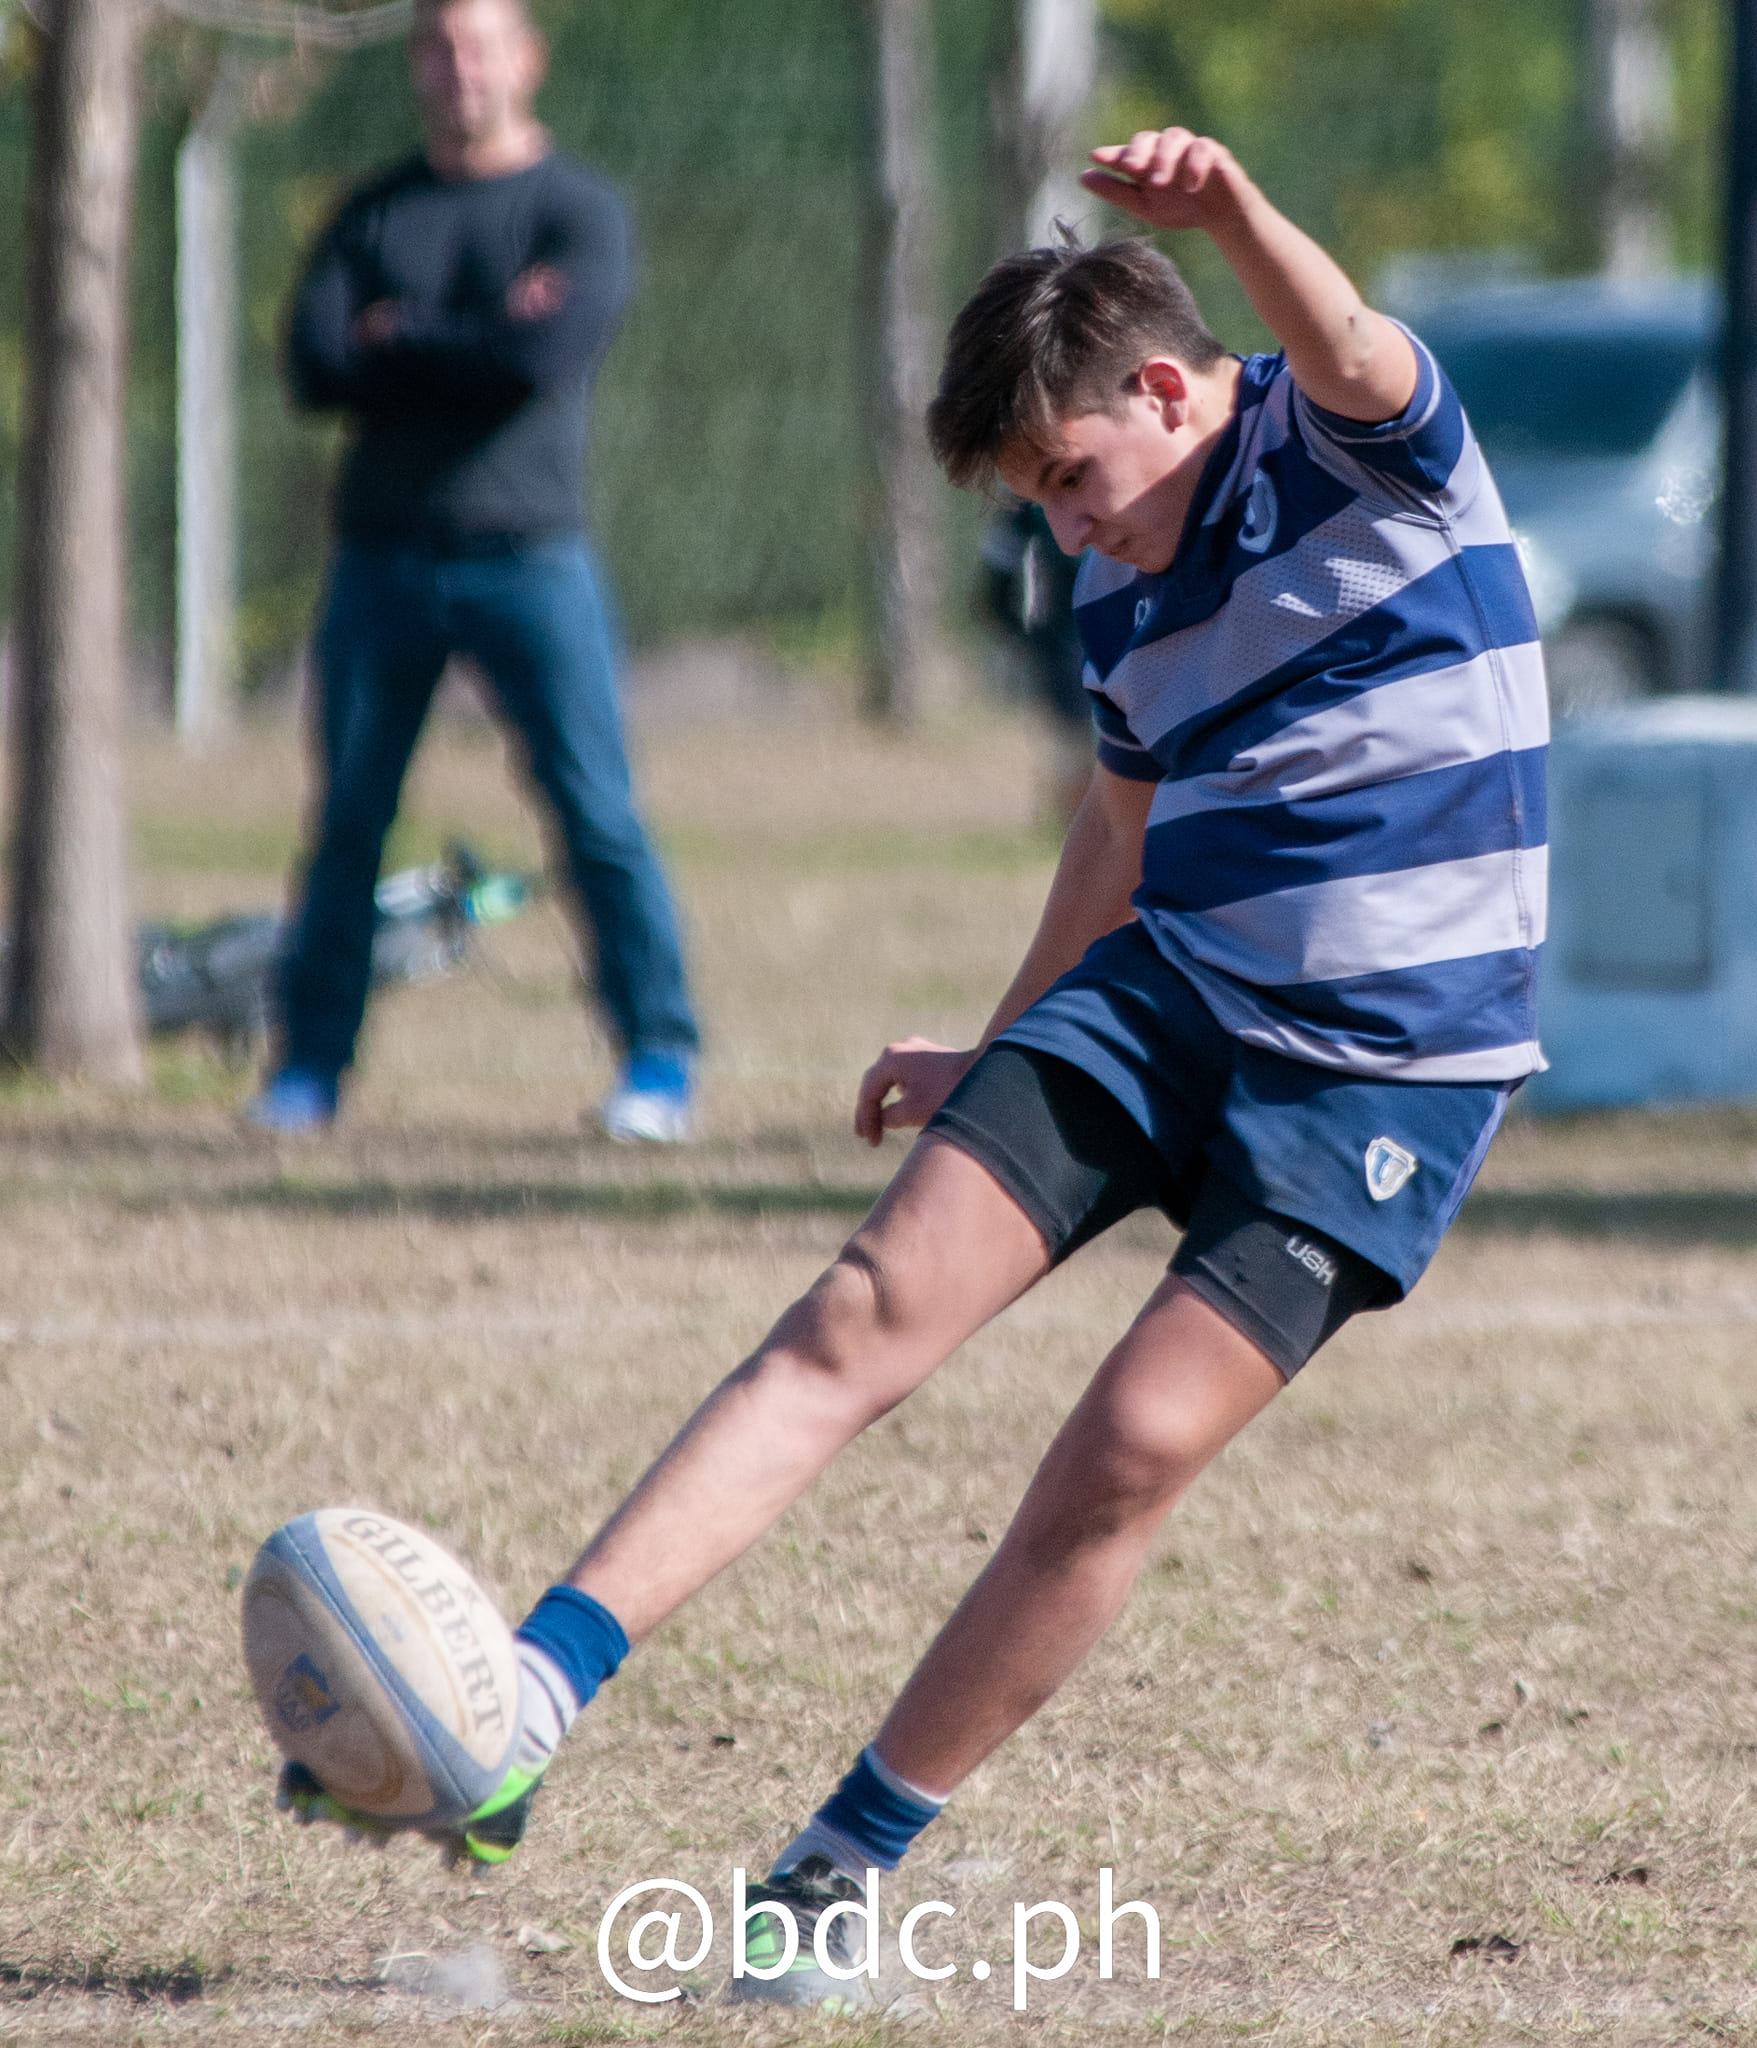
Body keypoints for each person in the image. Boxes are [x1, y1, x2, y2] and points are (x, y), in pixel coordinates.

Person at [279, 125, 1546, 2008]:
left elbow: (1345, 332)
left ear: (1169, 389)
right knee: (856, 1311)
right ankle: (522, 1703)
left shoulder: (1363, 448)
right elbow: (1117, 832)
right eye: (1037, 501)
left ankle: (836, 1866)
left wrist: (1229, 213)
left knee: (1125, 1452)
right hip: (1172, 992)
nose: (1070, 526)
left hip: (1385, 1071)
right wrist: (1004, 1041)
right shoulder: (1113, 585)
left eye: (1071, 476)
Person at [248, 0, 700, 1142]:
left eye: (479, 47)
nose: (459, 71)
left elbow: (539, 359)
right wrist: (474, 336)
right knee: (348, 819)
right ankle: (307, 1071)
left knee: (595, 812)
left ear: (525, 60)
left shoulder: (575, 211)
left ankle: (657, 1060)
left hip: (530, 555)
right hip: (380, 557)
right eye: (439, 49)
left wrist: (398, 334)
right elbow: (314, 365)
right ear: (417, 66)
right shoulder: (374, 210)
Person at [980, 495, 1094, 826]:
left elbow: (995, 587)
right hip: (1070, 646)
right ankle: (1082, 831)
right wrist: (1025, 637)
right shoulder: (1026, 503)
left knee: (1086, 755)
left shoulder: (1029, 499)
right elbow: (997, 582)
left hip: (1072, 646)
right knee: (1079, 754)